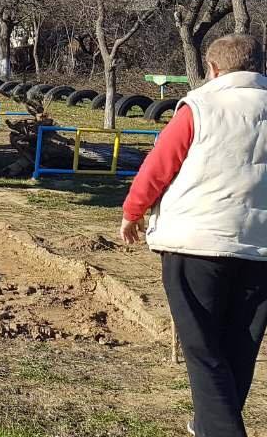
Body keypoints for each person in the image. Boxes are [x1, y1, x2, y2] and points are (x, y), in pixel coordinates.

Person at [121, 33, 267, 437]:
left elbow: (159, 166)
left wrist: (132, 213)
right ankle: (210, 423)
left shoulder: (200, 106)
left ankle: (220, 431)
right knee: (240, 347)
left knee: (202, 349)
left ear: (214, 69)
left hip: (196, 243)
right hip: (260, 251)